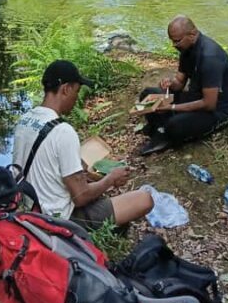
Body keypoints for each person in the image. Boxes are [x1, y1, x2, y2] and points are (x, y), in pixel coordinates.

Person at [13, 59, 153, 230]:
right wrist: (110, 179)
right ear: (66, 89)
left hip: (27, 211)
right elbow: (80, 196)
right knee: (144, 199)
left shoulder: (25, 121)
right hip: (57, 220)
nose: (76, 97)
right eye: (77, 91)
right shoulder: (63, 131)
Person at [138, 16, 228, 156]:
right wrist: (170, 83)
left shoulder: (210, 57)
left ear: (192, 35)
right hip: (195, 97)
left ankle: (166, 133)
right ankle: (161, 128)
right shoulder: (186, 50)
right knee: (148, 95)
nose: (173, 45)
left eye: (177, 41)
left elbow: (209, 104)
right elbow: (179, 84)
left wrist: (171, 107)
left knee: (174, 125)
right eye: (172, 41)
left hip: (218, 110)